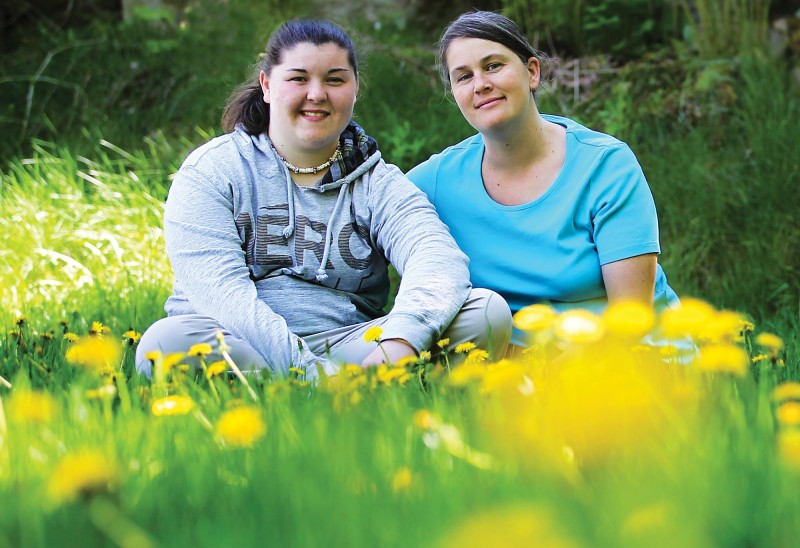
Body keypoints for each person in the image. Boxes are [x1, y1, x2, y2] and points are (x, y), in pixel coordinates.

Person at [135, 19, 512, 379]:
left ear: (355, 88)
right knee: (164, 344)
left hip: (352, 347)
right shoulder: (214, 170)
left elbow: (437, 258)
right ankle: (361, 395)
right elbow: (221, 295)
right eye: (298, 78)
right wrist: (313, 375)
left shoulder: (378, 182)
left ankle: (372, 382)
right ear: (267, 85)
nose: (317, 94)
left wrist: (398, 344)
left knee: (485, 313)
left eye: (334, 80)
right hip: (239, 343)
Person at [406, 11, 682, 350]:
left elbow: (631, 322)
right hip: (517, 378)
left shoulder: (605, 165)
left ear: (532, 72)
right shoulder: (436, 180)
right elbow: (363, 208)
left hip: (633, 363)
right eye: (463, 77)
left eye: (493, 66)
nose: (480, 85)